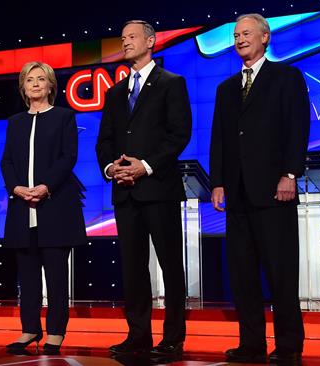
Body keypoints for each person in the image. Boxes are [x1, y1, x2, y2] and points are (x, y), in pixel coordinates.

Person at [209, 13, 309, 364]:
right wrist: (217, 182)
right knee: (243, 275)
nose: (239, 39)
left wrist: (291, 174)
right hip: (236, 196)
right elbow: (219, 140)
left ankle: (288, 345)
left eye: (246, 33)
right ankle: (251, 343)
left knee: (281, 272)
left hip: (273, 191)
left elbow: (297, 129)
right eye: (235, 34)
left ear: (265, 37)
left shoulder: (287, 77)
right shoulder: (225, 89)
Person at [95, 20, 192, 359]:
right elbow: (104, 140)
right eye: (122, 38)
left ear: (150, 41)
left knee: (169, 265)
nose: (125, 43)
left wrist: (145, 165)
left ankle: (173, 338)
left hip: (159, 189)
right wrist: (112, 168)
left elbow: (179, 134)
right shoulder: (115, 92)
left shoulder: (171, 83)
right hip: (124, 193)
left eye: (131, 37)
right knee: (132, 268)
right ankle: (138, 335)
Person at [1, 61, 86, 355]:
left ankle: (56, 332)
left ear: (51, 85)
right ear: (23, 88)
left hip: (55, 207)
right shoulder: (15, 122)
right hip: (22, 208)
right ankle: (29, 330)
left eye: (41, 79)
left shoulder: (64, 117)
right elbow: (7, 161)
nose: (35, 84)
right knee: (27, 277)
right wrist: (15, 188)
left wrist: (45, 186)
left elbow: (68, 157)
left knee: (56, 277)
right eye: (29, 80)